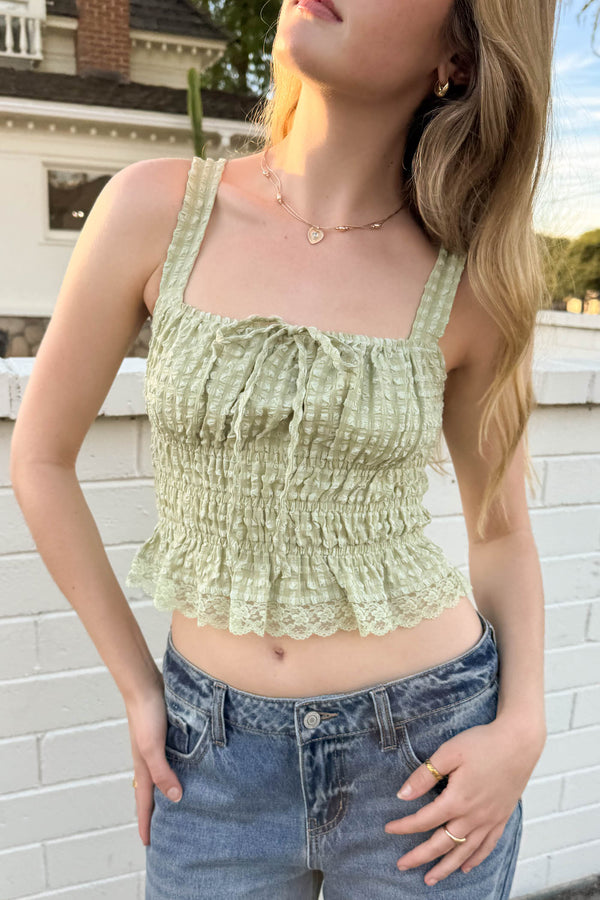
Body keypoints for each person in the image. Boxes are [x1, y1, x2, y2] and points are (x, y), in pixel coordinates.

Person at [10, 0, 557, 896]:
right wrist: (143, 691)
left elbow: (499, 533)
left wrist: (523, 727)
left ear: (457, 55)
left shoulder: (471, 283)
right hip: (210, 759)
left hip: (426, 755)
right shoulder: (158, 209)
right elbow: (38, 459)